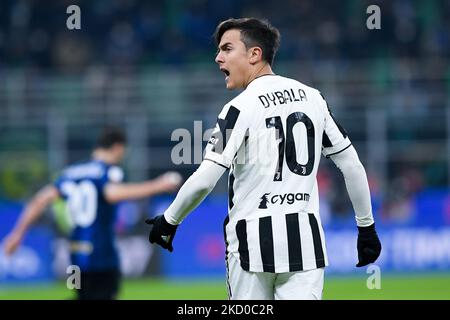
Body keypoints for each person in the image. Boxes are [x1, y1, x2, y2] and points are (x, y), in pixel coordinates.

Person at [145, 18, 381, 300]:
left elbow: (205, 180)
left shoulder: (238, 108)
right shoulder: (313, 98)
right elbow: (351, 165)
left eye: (227, 49)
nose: (218, 57)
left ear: (255, 54)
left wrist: (170, 220)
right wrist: (366, 227)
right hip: (305, 242)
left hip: (250, 244)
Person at [2, 126, 182, 300]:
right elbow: (112, 193)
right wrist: (158, 185)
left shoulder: (69, 173)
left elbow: (40, 200)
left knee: (82, 295)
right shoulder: (108, 171)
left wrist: (17, 234)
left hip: (74, 257)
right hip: (101, 256)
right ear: (118, 147)